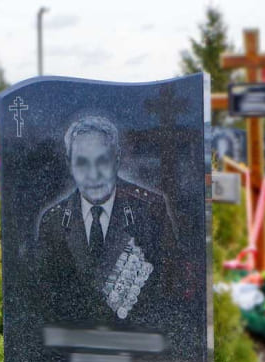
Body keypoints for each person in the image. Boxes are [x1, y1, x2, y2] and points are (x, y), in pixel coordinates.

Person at [37, 115, 178, 328]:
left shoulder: (150, 211)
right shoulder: (53, 222)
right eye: (82, 162)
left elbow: (171, 289)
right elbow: (44, 301)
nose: (93, 175)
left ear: (117, 159)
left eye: (102, 160)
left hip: (136, 341)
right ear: (69, 163)